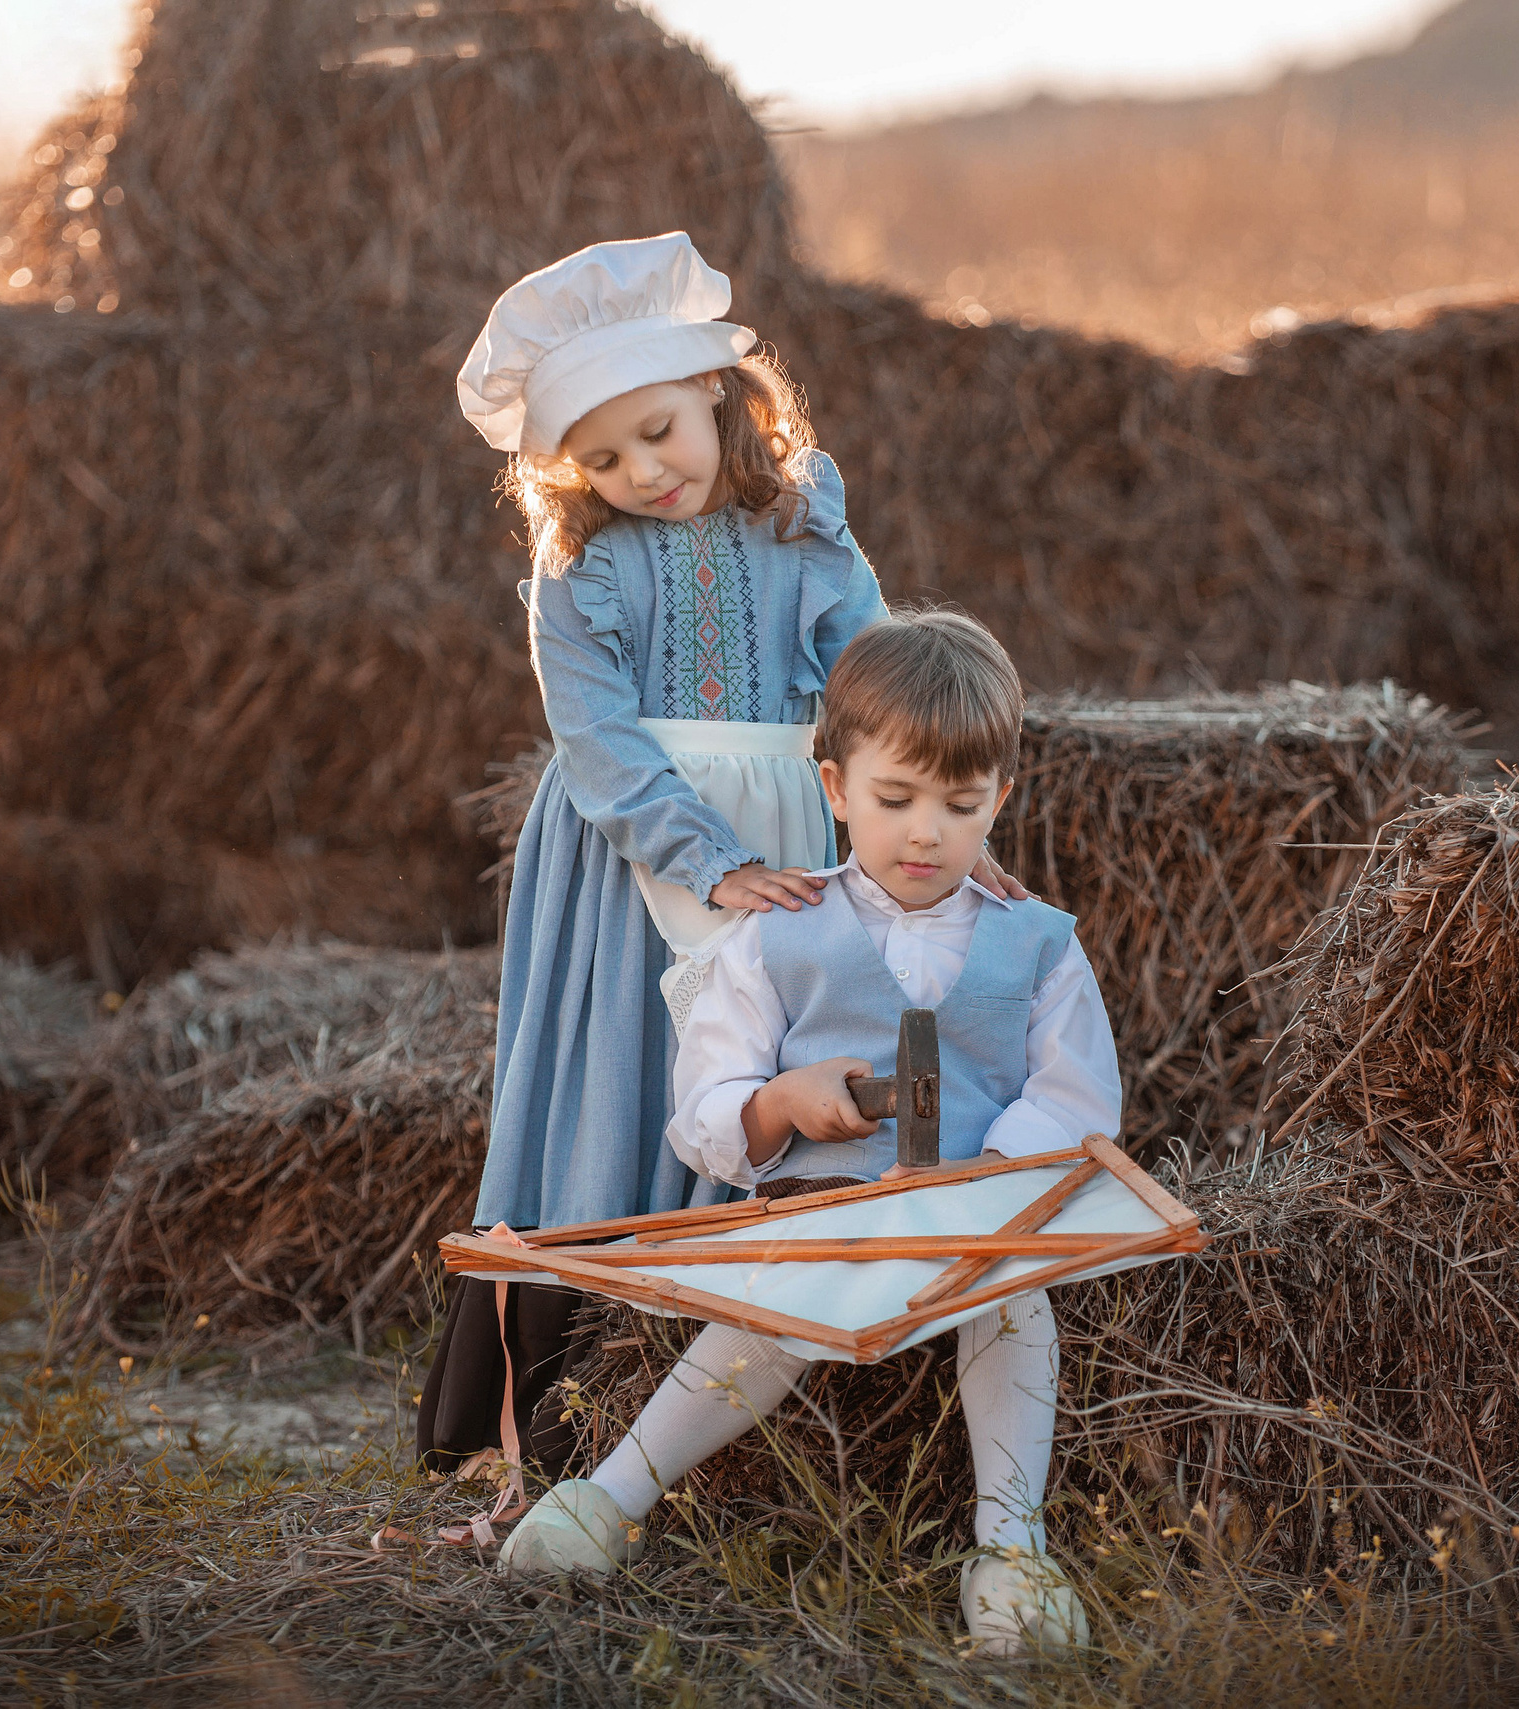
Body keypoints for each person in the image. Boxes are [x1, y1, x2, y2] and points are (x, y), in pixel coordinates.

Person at [417, 235, 1023, 1482]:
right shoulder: (579, 570)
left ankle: (737, 1395)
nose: (642, 472)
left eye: (657, 433)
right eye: (602, 458)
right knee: (623, 1070)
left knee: (765, 1061)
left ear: (712, 390)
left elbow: (877, 695)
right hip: (630, 852)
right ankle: (567, 1409)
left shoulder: (804, 525)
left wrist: (939, 845)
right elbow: (595, 741)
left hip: (788, 832)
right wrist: (704, 857)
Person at [497, 610, 1118, 1656]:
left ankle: (1013, 1549)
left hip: (977, 1211)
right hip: (820, 1204)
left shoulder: (1038, 943)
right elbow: (707, 1103)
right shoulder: (777, 933)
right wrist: (783, 1103)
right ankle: (608, 1498)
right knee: (770, 1306)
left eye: (961, 805)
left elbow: (1077, 1094)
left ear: (1001, 799)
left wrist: (992, 1171)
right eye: (895, 799)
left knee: (1013, 1300)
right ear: (833, 786)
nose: (926, 834)